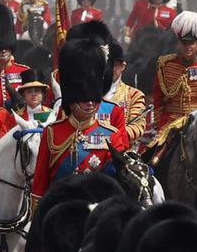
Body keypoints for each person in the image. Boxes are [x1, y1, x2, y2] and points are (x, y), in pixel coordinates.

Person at [28, 35, 125, 206]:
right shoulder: (52, 133)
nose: (90, 103)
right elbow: (40, 186)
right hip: (59, 210)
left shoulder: (112, 135)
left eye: (93, 99)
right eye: (84, 99)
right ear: (72, 100)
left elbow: (116, 187)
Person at [152, 12, 197, 133]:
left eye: (191, 43)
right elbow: (158, 99)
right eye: (184, 43)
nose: (188, 47)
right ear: (178, 44)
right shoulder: (165, 65)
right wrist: (159, 126)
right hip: (170, 123)